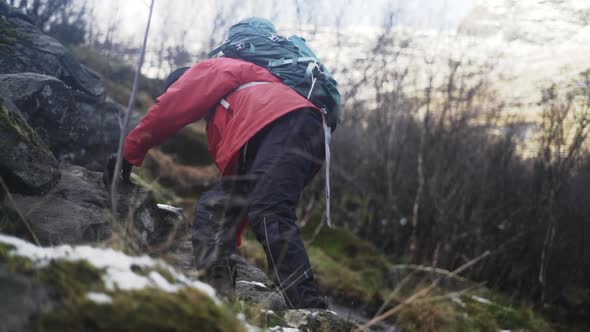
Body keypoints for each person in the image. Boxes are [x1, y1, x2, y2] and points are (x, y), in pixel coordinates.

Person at [104, 20, 333, 310]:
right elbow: (236, 197)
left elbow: (167, 112)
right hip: (291, 133)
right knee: (213, 210)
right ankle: (218, 303)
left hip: (288, 125)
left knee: (270, 210)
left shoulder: (213, 69)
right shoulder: (232, 114)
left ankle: (310, 311)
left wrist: (128, 152)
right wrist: (230, 233)